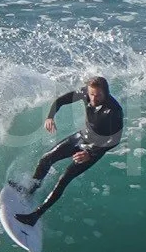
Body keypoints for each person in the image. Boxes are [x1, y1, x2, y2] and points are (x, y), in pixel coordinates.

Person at [16, 76, 124, 226]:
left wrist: (90, 154)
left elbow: (114, 140)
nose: (94, 98)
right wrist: (50, 116)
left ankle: (35, 216)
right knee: (46, 159)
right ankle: (30, 189)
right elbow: (61, 100)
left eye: (98, 95)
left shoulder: (114, 110)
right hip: (82, 136)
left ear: (106, 93)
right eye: (92, 94)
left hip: (94, 148)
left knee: (64, 178)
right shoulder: (85, 93)